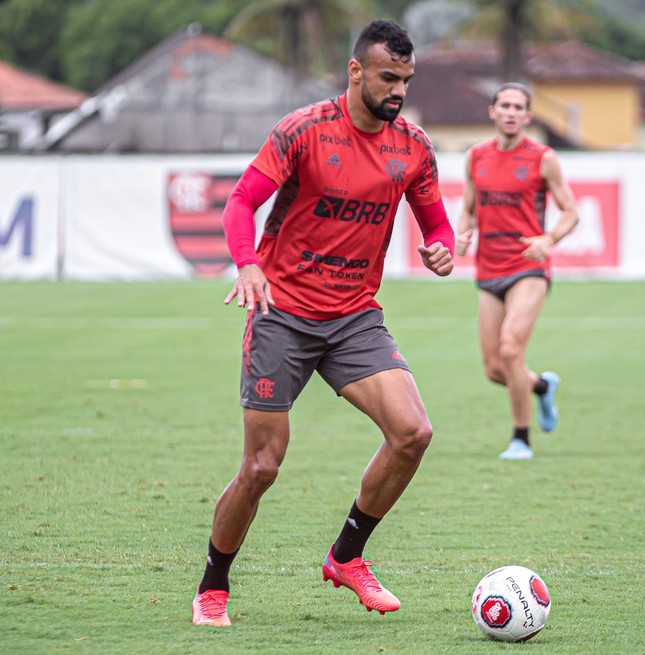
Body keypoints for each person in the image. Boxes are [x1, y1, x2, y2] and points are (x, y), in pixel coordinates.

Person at [191, 19, 454, 626]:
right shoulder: (304, 131)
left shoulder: (412, 146)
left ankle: (346, 557)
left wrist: (439, 246)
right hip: (281, 315)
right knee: (262, 467)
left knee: (413, 433)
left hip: (355, 317)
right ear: (355, 71)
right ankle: (214, 586)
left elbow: (435, 223)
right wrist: (248, 265)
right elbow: (240, 203)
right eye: (389, 78)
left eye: (406, 81)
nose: (399, 92)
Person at [455, 83, 578, 460]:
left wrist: (549, 238)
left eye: (518, 107)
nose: (510, 112)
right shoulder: (476, 157)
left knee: (511, 349)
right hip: (488, 269)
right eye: (504, 105)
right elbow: (469, 208)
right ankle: (541, 387)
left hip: (528, 267)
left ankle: (521, 439)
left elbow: (571, 212)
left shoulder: (543, 158)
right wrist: (462, 233)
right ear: (492, 111)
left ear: (528, 116)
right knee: (495, 369)